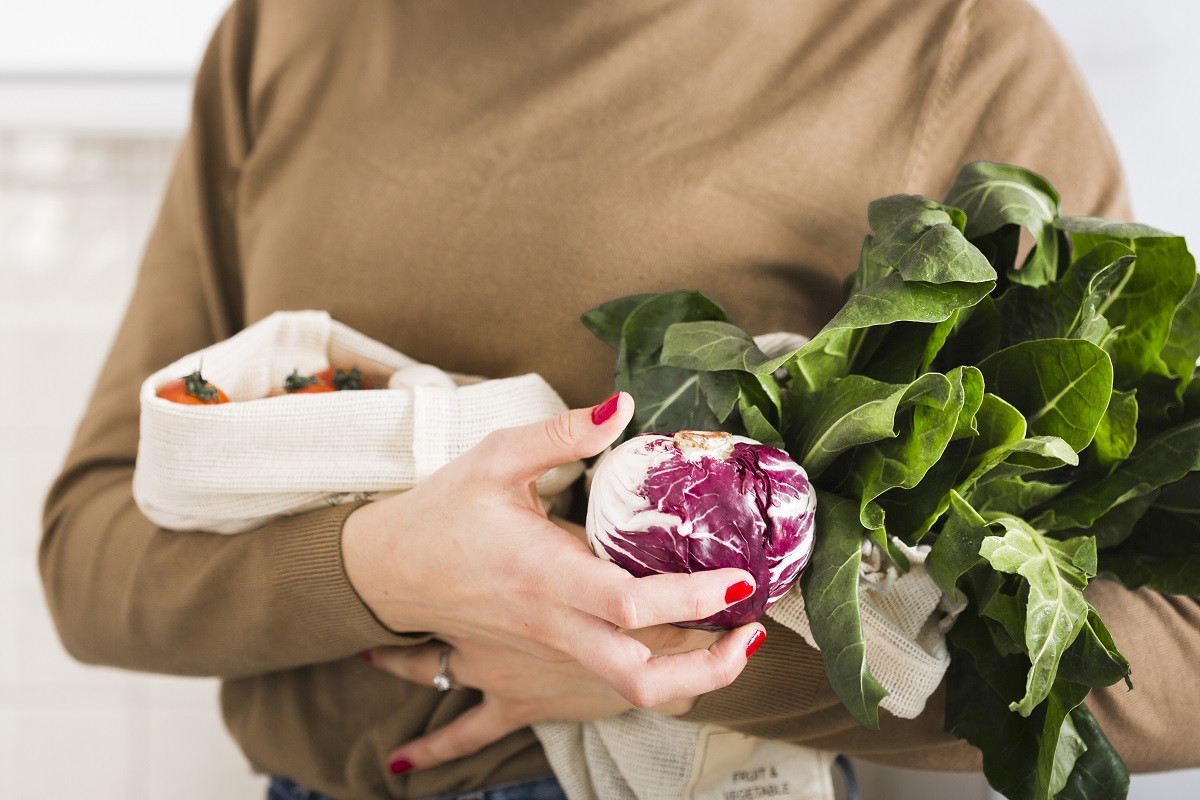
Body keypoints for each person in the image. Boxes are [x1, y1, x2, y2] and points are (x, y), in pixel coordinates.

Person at [40, 0, 1200, 798]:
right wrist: (379, 569)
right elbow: (93, 550)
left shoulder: (943, 44)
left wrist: (679, 661)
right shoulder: (289, 27)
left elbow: (1179, 642)